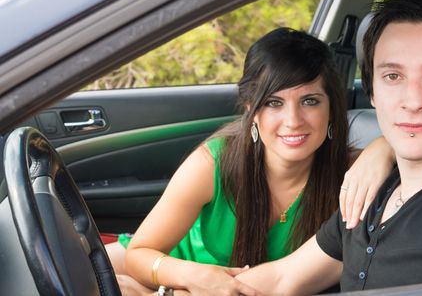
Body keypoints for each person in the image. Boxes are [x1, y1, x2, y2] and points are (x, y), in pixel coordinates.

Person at [235, 0, 422, 294]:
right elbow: (282, 279)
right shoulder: (372, 189)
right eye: (393, 76)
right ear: (371, 91)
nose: (412, 101)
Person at [111, 27, 395, 295]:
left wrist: (386, 146)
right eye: (273, 103)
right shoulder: (213, 163)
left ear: (332, 108)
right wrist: (190, 277)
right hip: (173, 269)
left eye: (310, 101)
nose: (293, 121)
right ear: (251, 109)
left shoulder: (356, 173)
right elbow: (139, 254)